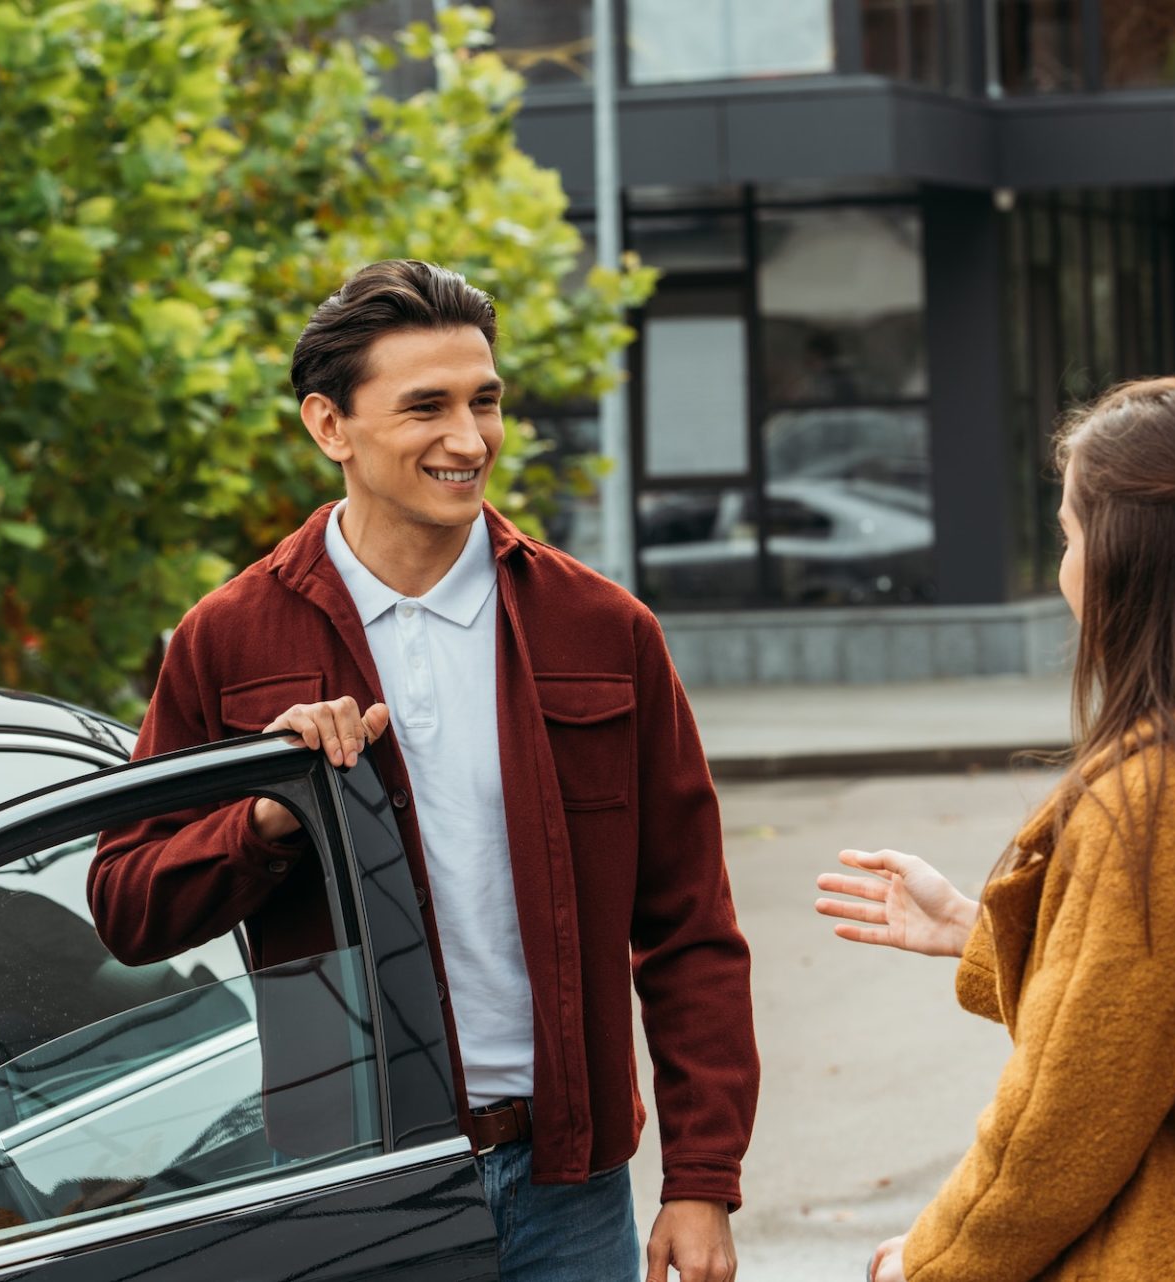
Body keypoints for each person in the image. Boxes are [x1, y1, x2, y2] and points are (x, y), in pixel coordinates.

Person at [89, 260, 758, 1282]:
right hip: (351, 1190)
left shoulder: (602, 629)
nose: (469, 438)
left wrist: (701, 1177)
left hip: (567, 1190)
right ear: (330, 426)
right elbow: (129, 905)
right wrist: (267, 818)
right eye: (427, 406)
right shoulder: (229, 641)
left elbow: (690, 927)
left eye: (484, 401)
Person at [816, 376, 1175, 1282]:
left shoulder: (1163, 796)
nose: (1064, 567)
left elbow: (1062, 1123)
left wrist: (929, 1261)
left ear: (1127, 555)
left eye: (1070, 537)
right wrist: (975, 928)